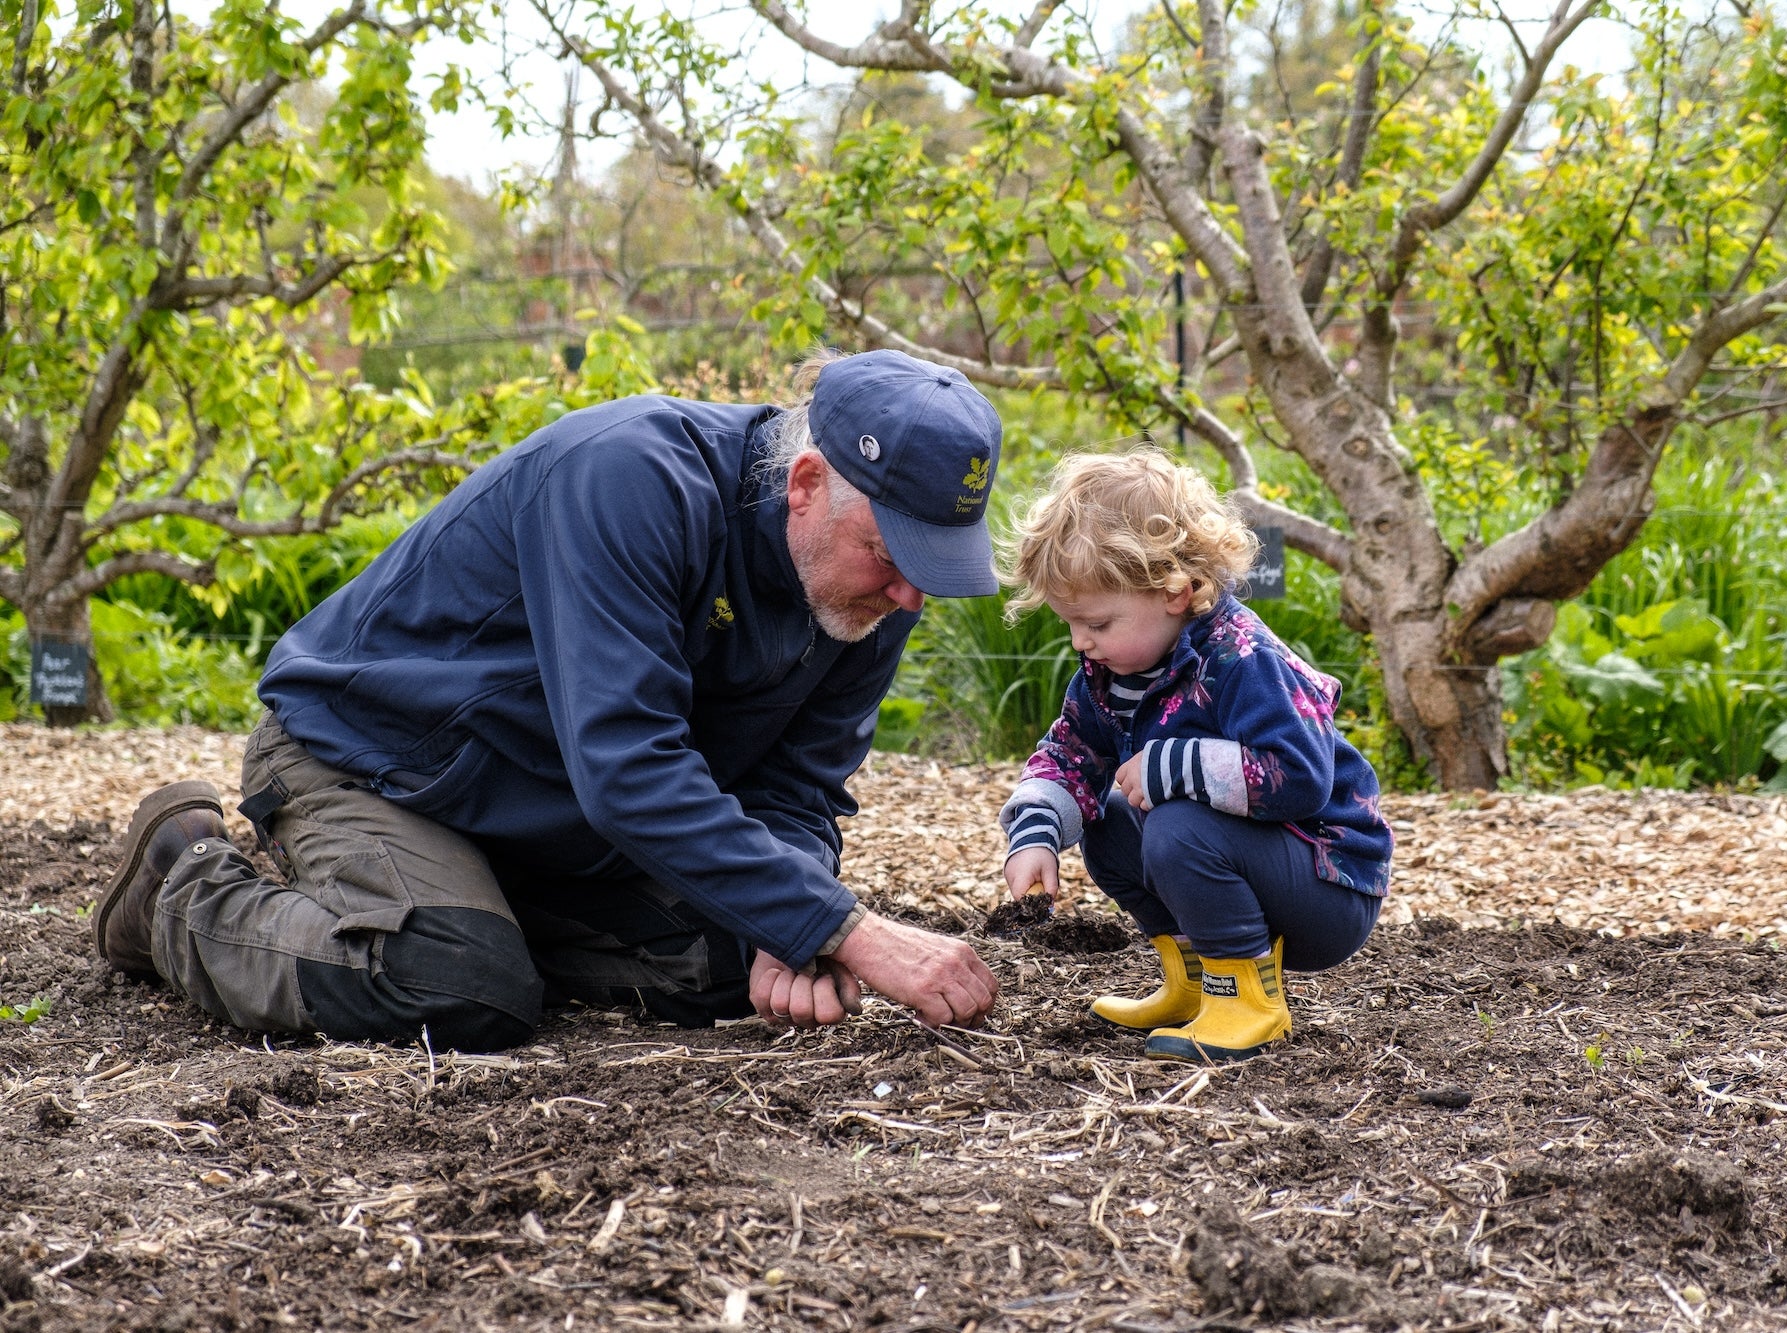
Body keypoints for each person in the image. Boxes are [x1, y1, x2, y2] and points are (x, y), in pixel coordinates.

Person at [95, 349, 1002, 1051]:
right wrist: (845, 925)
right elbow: (628, 767)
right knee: (457, 984)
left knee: (739, 960)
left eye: (933, 566)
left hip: (548, 811)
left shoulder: (870, 593)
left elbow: (796, 793)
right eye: (892, 554)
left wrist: (792, 922)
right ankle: (181, 879)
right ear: (806, 484)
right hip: (376, 759)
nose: (911, 599)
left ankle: (454, 910)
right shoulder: (630, 479)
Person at [997, 449, 1393, 1063]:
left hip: (1326, 881)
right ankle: (1195, 983)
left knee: (1178, 824)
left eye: (1097, 622)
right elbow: (1071, 753)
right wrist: (1036, 834)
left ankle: (1246, 1000)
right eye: (1070, 623)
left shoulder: (1243, 659)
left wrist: (1167, 766)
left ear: (1175, 592)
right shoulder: (1110, 673)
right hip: (1254, 867)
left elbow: (1300, 777)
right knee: (1109, 818)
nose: (1081, 641)